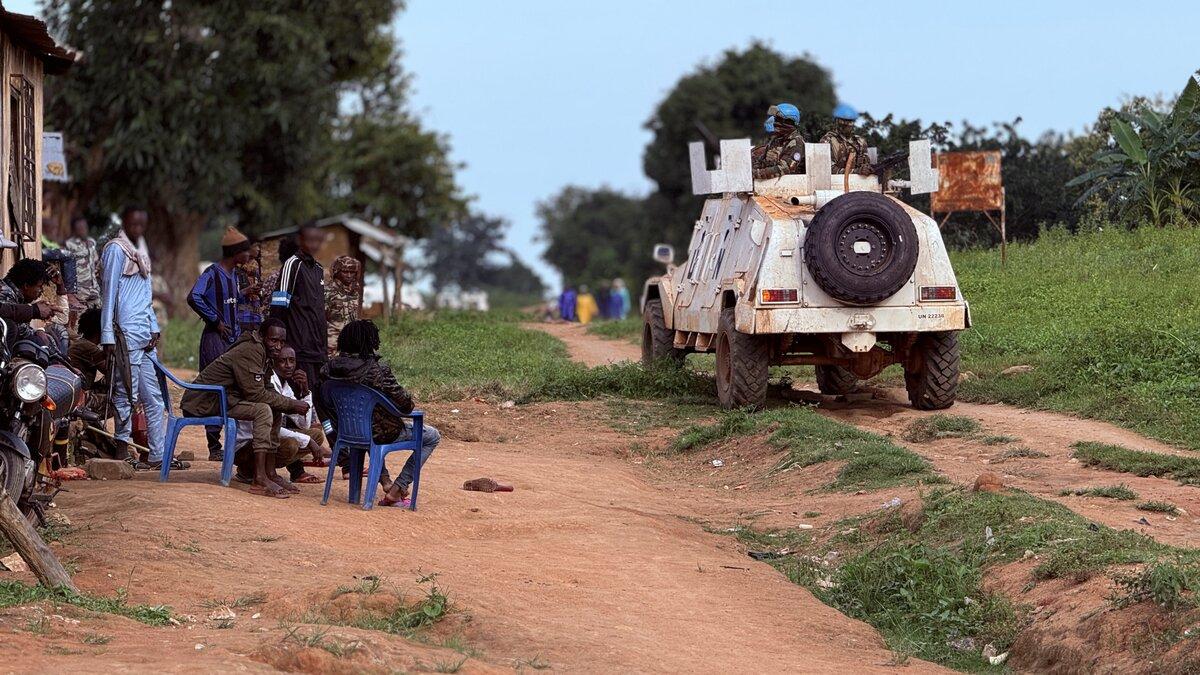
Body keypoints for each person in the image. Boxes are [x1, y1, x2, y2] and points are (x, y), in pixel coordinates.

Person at [181, 319, 309, 499]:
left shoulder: (263, 352)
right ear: (262, 336)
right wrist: (291, 404)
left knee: (274, 407)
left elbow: (267, 388)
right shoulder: (251, 350)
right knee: (263, 410)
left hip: (226, 399)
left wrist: (286, 403)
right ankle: (259, 478)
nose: (278, 346)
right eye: (274, 340)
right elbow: (256, 395)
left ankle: (270, 473)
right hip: (204, 402)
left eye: (281, 341)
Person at [321, 320, 440, 508]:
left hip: (347, 432)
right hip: (381, 432)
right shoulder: (378, 370)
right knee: (432, 436)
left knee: (367, 424)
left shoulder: (328, 369)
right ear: (371, 342)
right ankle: (398, 488)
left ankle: (385, 481)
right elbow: (406, 405)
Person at [100, 206, 172, 469]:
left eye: (142, 225)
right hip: (125, 331)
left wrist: (154, 325)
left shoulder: (141, 252)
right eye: (134, 224)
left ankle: (158, 454)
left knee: (153, 397)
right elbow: (108, 294)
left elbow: (146, 295)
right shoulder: (115, 250)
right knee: (125, 391)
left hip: (144, 332)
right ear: (125, 223)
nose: (138, 229)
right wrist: (107, 336)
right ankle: (121, 449)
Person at [188, 226, 253, 461]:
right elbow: (194, 296)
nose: (249, 255)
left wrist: (246, 293)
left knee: (232, 388)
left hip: (232, 341)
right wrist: (215, 320)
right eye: (246, 251)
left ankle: (233, 444)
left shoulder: (234, 275)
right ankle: (214, 446)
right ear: (236, 253)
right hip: (215, 340)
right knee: (214, 387)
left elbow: (229, 299)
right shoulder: (212, 273)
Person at [232, 345, 329, 485]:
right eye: (283, 361)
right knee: (291, 444)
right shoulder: (268, 382)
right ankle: (251, 471)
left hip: (266, 439)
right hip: (247, 446)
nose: (289, 366)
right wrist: (307, 441)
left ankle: (267, 471)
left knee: (316, 435)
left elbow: (303, 424)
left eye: (292, 361)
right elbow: (269, 427)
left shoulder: (286, 386)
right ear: (273, 363)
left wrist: (305, 392)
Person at [270, 223, 327, 389]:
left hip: (318, 349)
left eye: (318, 240)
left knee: (316, 396)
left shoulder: (318, 269)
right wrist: (280, 344)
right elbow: (278, 306)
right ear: (300, 240)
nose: (314, 245)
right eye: (310, 240)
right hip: (299, 348)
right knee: (299, 395)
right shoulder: (292, 264)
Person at [0, 259, 59, 344]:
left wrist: (60, 286)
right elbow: (21, 331)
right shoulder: (6, 293)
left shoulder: (17, 295)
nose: (41, 290)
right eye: (39, 286)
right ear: (26, 285)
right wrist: (34, 311)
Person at [752, 103, 806, 180]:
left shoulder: (796, 142)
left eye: (778, 120)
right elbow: (762, 161)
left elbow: (785, 168)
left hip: (790, 186)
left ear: (788, 122)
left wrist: (757, 174)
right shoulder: (776, 140)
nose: (775, 123)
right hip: (770, 185)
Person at [821, 103, 873, 176]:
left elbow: (866, 164)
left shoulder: (860, 142)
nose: (848, 124)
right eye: (844, 121)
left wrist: (867, 169)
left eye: (850, 121)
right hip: (835, 184)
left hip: (859, 183)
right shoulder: (828, 140)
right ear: (837, 121)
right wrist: (855, 171)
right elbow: (827, 169)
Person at [324, 255, 361, 357]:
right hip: (331, 344)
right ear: (337, 272)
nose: (349, 275)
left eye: (352, 272)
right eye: (345, 272)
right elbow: (320, 318)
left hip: (350, 343)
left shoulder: (354, 293)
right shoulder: (328, 291)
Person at [63, 216, 101, 309]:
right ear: (74, 230)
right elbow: (64, 267)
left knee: (96, 319)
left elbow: (96, 261)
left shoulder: (92, 242)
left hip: (94, 291)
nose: (83, 230)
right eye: (79, 228)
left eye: (84, 228)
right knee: (80, 320)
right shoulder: (69, 244)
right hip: (79, 293)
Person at [236, 237, 265, 333]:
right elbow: (230, 297)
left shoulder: (255, 268)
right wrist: (246, 291)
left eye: (259, 247)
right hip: (241, 317)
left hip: (255, 315)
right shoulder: (236, 270)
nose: (258, 249)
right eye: (256, 246)